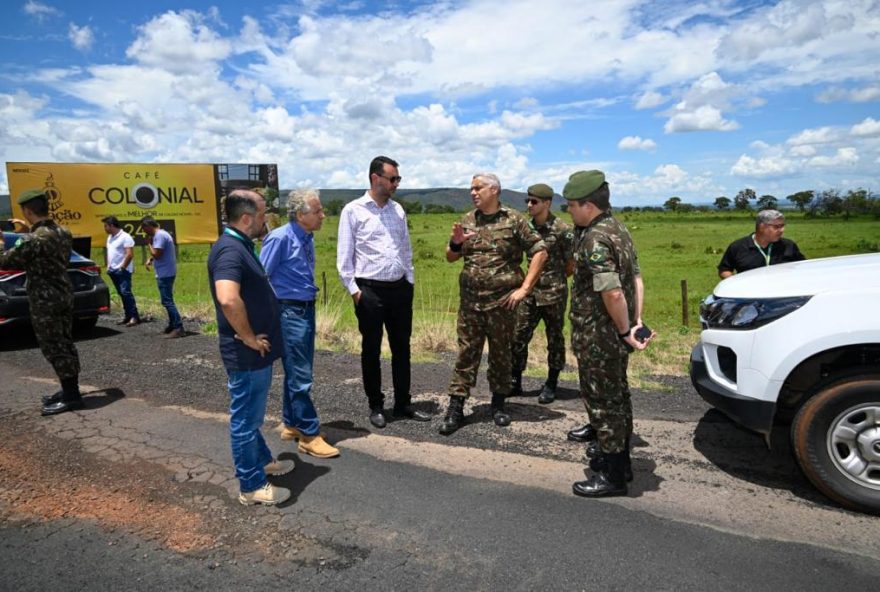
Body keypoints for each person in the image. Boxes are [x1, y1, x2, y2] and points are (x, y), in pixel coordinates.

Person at [563, 170, 654, 498]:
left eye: (571, 205)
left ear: (588, 205)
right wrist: (636, 320)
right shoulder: (617, 228)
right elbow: (637, 278)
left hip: (600, 336)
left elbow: (613, 292)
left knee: (603, 401)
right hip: (612, 331)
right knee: (618, 397)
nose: (568, 210)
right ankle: (620, 460)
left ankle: (614, 476)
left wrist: (625, 329)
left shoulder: (595, 239)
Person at [438, 173, 548, 435]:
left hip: (503, 304)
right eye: (471, 189)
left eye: (478, 188)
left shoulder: (514, 220)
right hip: (471, 304)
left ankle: (498, 404)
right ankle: (456, 407)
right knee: (467, 354)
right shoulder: (467, 220)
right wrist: (456, 243)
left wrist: (524, 288)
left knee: (501, 354)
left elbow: (540, 251)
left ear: (494, 190)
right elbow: (450, 257)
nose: (473, 192)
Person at [208, 189, 293, 506]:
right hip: (246, 353)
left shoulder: (240, 245)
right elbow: (228, 297)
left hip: (255, 353)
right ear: (246, 218)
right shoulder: (230, 251)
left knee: (251, 417)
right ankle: (252, 485)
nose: (265, 220)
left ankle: (263, 462)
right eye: (261, 214)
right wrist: (247, 336)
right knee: (245, 421)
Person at [336, 156, 430, 429]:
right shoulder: (353, 211)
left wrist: (409, 280)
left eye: (398, 179)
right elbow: (344, 259)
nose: (396, 184)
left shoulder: (398, 210)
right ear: (375, 178)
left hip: (400, 289)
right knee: (371, 350)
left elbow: (405, 248)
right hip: (370, 291)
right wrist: (356, 292)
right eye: (393, 179)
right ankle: (376, 405)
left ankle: (403, 403)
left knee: (402, 348)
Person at [260, 189, 339, 459]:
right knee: (301, 376)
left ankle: (292, 423)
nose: (322, 215)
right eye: (317, 211)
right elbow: (262, 278)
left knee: (296, 371)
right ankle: (308, 434)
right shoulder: (280, 238)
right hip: (289, 311)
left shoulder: (306, 237)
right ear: (300, 214)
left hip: (303, 308)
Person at [0, 189, 83, 416]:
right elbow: (40, 250)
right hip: (63, 293)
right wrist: (25, 234)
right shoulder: (63, 232)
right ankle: (69, 390)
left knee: (54, 345)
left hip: (45, 299)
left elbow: (6, 260)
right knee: (64, 341)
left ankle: (72, 396)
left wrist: (2, 240)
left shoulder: (34, 239)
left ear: (27, 210)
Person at [510, 183, 574, 404]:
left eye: (534, 201)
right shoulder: (525, 227)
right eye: (527, 200)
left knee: (554, 338)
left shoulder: (562, 230)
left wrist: (554, 280)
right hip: (528, 292)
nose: (529, 205)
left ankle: (551, 383)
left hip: (554, 292)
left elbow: (570, 264)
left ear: (547, 203)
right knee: (518, 336)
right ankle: (515, 380)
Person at [717, 209, 805, 278]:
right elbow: (724, 270)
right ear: (762, 227)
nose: (782, 230)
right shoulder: (738, 247)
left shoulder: (788, 245)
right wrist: (737, 284)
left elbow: (803, 268)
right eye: (776, 227)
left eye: (782, 226)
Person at [141, 216, 184, 338]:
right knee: (167, 300)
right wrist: (151, 259)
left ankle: (178, 327)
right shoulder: (162, 234)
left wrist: (149, 244)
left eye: (144, 229)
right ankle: (172, 324)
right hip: (166, 271)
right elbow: (158, 253)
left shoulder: (158, 236)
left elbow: (157, 254)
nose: (144, 232)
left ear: (148, 226)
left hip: (165, 273)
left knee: (167, 301)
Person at [102, 215, 141, 326]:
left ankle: (134, 316)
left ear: (112, 225)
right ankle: (127, 315)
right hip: (113, 270)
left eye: (106, 226)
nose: (104, 228)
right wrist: (109, 267)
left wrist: (122, 268)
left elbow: (130, 254)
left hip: (123, 270)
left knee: (126, 292)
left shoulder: (125, 237)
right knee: (121, 293)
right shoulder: (110, 237)